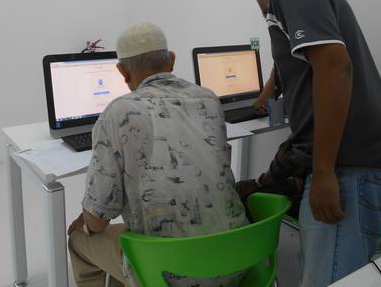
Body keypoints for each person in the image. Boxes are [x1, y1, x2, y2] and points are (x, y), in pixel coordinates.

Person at [248, 0, 381, 286]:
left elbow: (334, 65)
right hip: (370, 159)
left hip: (350, 168)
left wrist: (323, 172)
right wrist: (267, 92)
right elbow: (299, 55)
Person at [67, 23, 248, 287]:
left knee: (79, 239)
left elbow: (97, 220)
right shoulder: (209, 99)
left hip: (170, 274)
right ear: (171, 60)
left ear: (122, 71)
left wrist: (83, 223)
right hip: (238, 258)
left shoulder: (117, 113)